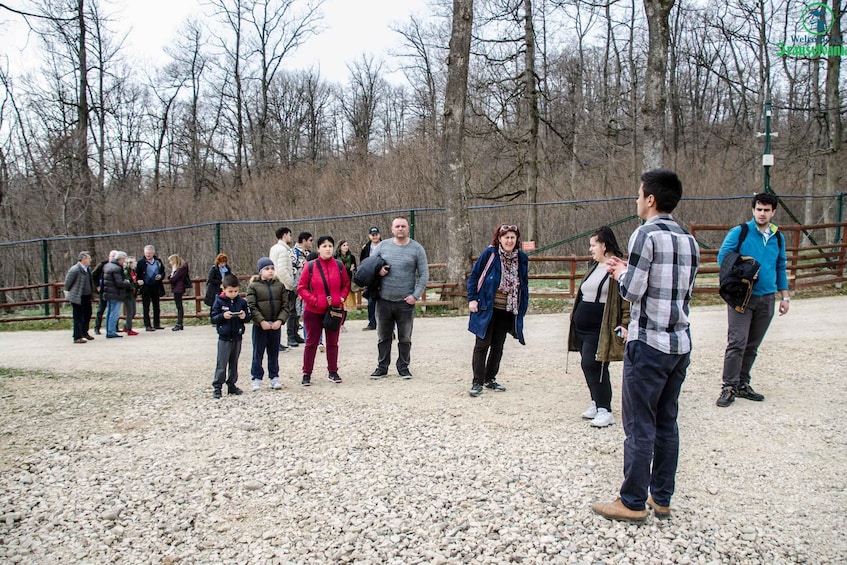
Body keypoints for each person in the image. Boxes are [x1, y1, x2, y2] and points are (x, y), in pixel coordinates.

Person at [592, 169, 700, 523]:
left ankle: (632, 500)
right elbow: (678, 289)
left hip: (649, 342)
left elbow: (633, 290)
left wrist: (620, 272)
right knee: (667, 420)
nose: (637, 199)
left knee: (639, 424)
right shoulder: (688, 238)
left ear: (650, 198)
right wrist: (631, 269)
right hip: (679, 342)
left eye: (639, 194)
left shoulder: (644, 235)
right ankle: (662, 497)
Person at [716, 193, 790, 407]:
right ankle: (728, 386)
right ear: (753, 210)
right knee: (737, 342)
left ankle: (742, 383)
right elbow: (724, 258)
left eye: (767, 210)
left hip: (767, 297)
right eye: (759, 209)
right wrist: (745, 269)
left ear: (773, 212)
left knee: (752, 344)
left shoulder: (777, 236)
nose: (762, 213)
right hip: (742, 296)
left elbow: (780, 265)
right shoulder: (741, 232)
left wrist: (784, 295)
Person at [567, 227, 630, 427]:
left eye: (593, 245)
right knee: (587, 365)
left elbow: (625, 300)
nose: (591, 249)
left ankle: (605, 409)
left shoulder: (618, 269)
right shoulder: (593, 266)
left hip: (600, 328)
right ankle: (596, 401)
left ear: (604, 245)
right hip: (583, 328)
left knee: (595, 365)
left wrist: (625, 324)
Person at [466, 223, 529, 397]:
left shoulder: (521, 258)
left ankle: (490, 378)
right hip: (487, 307)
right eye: (506, 237)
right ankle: (477, 381)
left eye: (512, 237)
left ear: (516, 240)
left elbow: (524, 283)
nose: (509, 240)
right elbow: (474, 276)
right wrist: (472, 299)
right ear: (499, 239)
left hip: (507, 309)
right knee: (482, 344)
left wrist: (523, 305)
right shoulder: (491, 254)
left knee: (498, 346)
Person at [369, 217, 429, 379]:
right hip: (384, 300)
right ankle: (382, 367)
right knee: (383, 336)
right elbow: (369, 266)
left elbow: (424, 274)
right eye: (397, 226)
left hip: (405, 302)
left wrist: (415, 295)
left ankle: (403, 367)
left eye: (403, 226)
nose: (400, 229)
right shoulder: (382, 246)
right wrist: (378, 270)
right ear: (392, 229)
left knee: (405, 337)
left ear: (407, 228)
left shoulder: (417, 249)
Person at [297, 236, 350, 386]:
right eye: (324, 246)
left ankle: (333, 371)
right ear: (319, 249)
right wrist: (314, 300)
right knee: (311, 342)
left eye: (330, 246)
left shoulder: (339, 266)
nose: (328, 248)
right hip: (313, 311)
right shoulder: (310, 266)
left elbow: (346, 284)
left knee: (333, 342)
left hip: (334, 310)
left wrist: (341, 298)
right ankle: (307, 373)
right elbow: (301, 287)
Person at [246, 257, 289, 392]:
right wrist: (261, 321)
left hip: (275, 325)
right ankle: (256, 378)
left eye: (272, 268)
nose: (270, 271)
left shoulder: (280, 286)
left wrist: (280, 321)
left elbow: (285, 306)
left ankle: (274, 377)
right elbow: (251, 306)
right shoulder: (253, 286)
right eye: (267, 269)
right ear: (260, 271)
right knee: (258, 352)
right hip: (260, 326)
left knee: (273, 352)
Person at [210, 273, 251, 399]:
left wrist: (244, 317)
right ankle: (217, 386)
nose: (233, 293)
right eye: (230, 291)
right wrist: (223, 316)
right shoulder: (219, 301)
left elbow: (248, 316)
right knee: (222, 363)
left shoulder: (241, 301)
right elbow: (213, 318)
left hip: (237, 336)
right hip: (224, 337)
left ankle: (232, 384)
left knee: (234, 363)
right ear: (224, 289)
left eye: (236, 291)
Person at [270, 227, 295, 351]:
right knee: (283, 314)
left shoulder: (274, 249)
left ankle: (276, 342)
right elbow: (282, 270)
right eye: (289, 235)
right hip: (283, 286)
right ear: (285, 235)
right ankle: (277, 343)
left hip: (276, 285)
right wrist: (292, 284)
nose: (291, 237)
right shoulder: (283, 251)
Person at [287, 232, 313, 347]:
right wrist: (294, 286)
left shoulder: (308, 253)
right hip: (294, 286)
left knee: (300, 310)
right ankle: (290, 336)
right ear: (304, 240)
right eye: (310, 240)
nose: (311, 242)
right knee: (292, 310)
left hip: (306, 286)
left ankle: (296, 333)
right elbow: (290, 269)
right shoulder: (293, 253)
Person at [64, 251, 94, 344]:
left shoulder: (87, 269)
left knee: (87, 314)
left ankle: (84, 332)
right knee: (78, 316)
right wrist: (72, 292)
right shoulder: (75, 269)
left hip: (86, 296)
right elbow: (67, 283)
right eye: (89, 258)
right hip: (77, 296)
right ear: (83, 259)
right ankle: (77, 336)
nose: (90, 260)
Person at [102, 251, 132, 339]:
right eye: (124, 260)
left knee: (109, 313)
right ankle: (111, 331)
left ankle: (109, 330)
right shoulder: (117, 268)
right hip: (115, 293)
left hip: (109, 292)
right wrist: (127, 282)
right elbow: (119, 282)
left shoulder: (108, 265)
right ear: (121, 259)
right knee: (114, 313)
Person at [136, 244, 166, 331]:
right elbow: (137, 274)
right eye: (146, 253)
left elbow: (163, 272)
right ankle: (147, 325)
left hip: (156, 286)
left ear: (153, 253)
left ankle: (157, 324)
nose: (148, 255)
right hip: (145, 287)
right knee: (146, 306)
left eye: (149, 253)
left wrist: (161, 276)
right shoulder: (141, 262)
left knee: (156, 306)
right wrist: (139, 281)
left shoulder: (158, 261)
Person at [359, 226, 382, 330]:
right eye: (372, 235)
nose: (375, 236)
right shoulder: (366, 248)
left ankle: (384, 323)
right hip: (371, 277)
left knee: (384, 301)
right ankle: (372, 323)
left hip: (383, 275)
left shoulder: (385, 245)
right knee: (371, 301)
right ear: (369, 236)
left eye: (376, 234)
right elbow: (362, 262)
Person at [92, 250, 117, 335]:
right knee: (101, 309)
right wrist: (97, 286)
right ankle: (97, 327)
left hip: (114, 291)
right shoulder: (102, 265)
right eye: (112, 256)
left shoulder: (118, 266)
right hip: (104, 290)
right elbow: (93, 275)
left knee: (114, 310)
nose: (113, 258)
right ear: (109, 256)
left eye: (115, 256)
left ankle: (114, 327)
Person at [168, 254, 190, 331]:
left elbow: (173, 279)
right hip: (178, 288)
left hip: (178, 289)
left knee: (179, 306)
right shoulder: (180, 269)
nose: (170, 263)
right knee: (179, 306)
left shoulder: (180, 269)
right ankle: (179, 323)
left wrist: (173, 272)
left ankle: (179, 323)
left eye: (171, 261)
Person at [335, 239, 358, 313]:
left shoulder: (351, 257)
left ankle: (342, 323)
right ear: (340, 247)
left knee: (346, 306)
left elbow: (354, 270)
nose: (346, 247)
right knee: (339, 304)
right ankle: (339, 323)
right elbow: (336, 271)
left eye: (347, 245)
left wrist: (348, 271)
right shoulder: (335, 257)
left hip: (348, 282)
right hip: (338, 282)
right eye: (344, 245)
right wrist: (348, 270)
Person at [122, 256, 140, 335]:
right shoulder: (126, 272)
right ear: (130, 264)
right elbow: (128, 284)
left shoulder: (133, 271)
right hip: (127, 294)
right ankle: (129, 330)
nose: (136, 263)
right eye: (134, 262)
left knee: (133, 312)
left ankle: (126, 326)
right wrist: (137, 284)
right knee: (130, 312)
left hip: (133, 294)